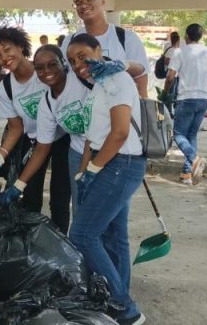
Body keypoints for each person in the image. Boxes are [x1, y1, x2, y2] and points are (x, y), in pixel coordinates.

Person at [64, 33, 147, 325]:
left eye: (83, 56)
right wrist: (83, 169)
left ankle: (124, 307)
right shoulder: (98, 86)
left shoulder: (117, 80)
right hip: (107, 161)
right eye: (72, 61)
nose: (78, 64)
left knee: (82, 234)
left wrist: (95, 169)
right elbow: (91, 136)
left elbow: (120, 132)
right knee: (113, 234)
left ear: (99, 51)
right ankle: (115, 293)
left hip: (120, 164)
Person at [0, 27, 70, 232]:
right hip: (33, 142)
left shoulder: (47, 72)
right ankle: (33, 243)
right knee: (30, 196)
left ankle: (61, 245)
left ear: (21, 46)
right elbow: (16, 128)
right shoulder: (6, 87)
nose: (4, 57)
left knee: (59, 199)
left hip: (63, 140)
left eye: (7, 49)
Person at [164, 23, 207, 185]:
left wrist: (166, 93)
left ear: (186, 36)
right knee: (192, 135)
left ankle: (194, 159)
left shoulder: (180, 52)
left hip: (185, 98)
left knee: (178, 134)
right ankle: (187, 174)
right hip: (203, 99)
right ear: (200, 37)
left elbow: (170, 77)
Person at [61, 0, 150, 97]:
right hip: (85, 110)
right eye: (78, 3)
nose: (83, 5)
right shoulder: (70, 41)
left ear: (102, 1)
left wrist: (121, 65)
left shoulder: (126, 37)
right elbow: (64, 76)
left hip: (119, 110)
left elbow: (141, 77)